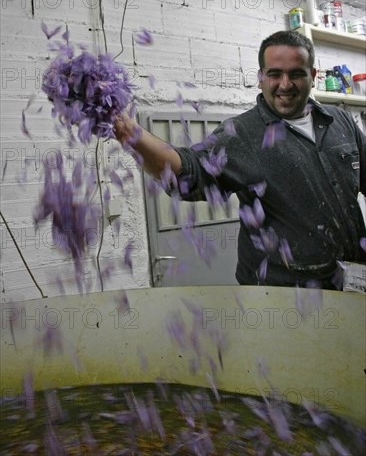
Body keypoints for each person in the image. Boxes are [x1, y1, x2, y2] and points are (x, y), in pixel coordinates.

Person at [114, 31, 366, 289]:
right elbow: (189, 175)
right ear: (260, 78)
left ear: (312, 76)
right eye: (275, 74)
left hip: (352, 284)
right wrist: (130, 135)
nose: (285, 84)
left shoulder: (340, 121)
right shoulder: (241, 134)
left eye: (297, 74)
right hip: (282, 296)